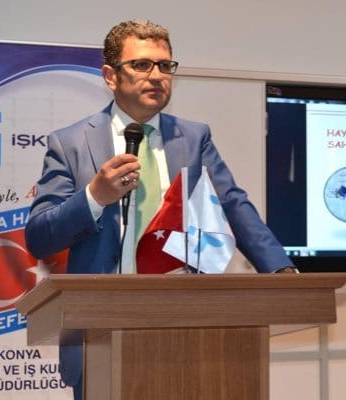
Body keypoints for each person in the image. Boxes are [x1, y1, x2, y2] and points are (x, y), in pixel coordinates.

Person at [25, 19, 298, 400]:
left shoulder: (194, 137)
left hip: (184, 325)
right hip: (99, 330)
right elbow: (39, 237)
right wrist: (94, 197)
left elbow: (233, 204)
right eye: (141, 65)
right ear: (110, 76)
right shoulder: (70, 143)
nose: (156, 76)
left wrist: (281, 270)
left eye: (164, 65)